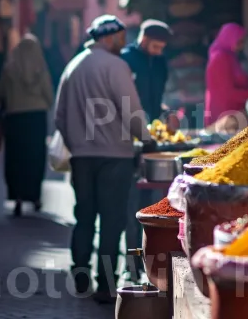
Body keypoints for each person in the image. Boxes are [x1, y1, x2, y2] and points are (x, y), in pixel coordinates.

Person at [54, 15, 149, 303]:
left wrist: (77, 144)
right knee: (112, 220)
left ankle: (80, 275)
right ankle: (105, 285)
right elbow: (131, 110)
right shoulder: (117, 66)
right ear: (107, 38)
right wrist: (146, 139)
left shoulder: (73, 66)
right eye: (120, 38)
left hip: (82, 158)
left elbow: (59, 116)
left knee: (84, 215)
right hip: (115, 157)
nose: (123, 43)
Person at [120, 19, 172, 282]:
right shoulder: (126, 59)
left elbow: (159, 95)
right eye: (155, 46)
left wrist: (164, 113)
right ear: (142, 39)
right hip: (128, 140)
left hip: (152, 139)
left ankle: (148, 260)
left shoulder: (161, 62)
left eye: (162, 47)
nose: (158, 51)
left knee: (152, 204)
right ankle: (131, 261)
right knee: (132, 205)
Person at [0, 33, 54, 217]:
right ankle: (35, 196)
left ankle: (18, 197)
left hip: (15, 118)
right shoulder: (41, 69)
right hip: (36, 118)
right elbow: (49, 95)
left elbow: (1, 94)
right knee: (35, 157)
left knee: (16, 158)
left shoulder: (9, 69)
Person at [204, 23, 248, 127]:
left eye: (243, 42)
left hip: (236, 113)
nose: (241, 45)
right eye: (239, 41)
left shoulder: (231, 57)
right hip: (224, 116)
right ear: (229, 38)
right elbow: (228, 93)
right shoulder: (220, 59)